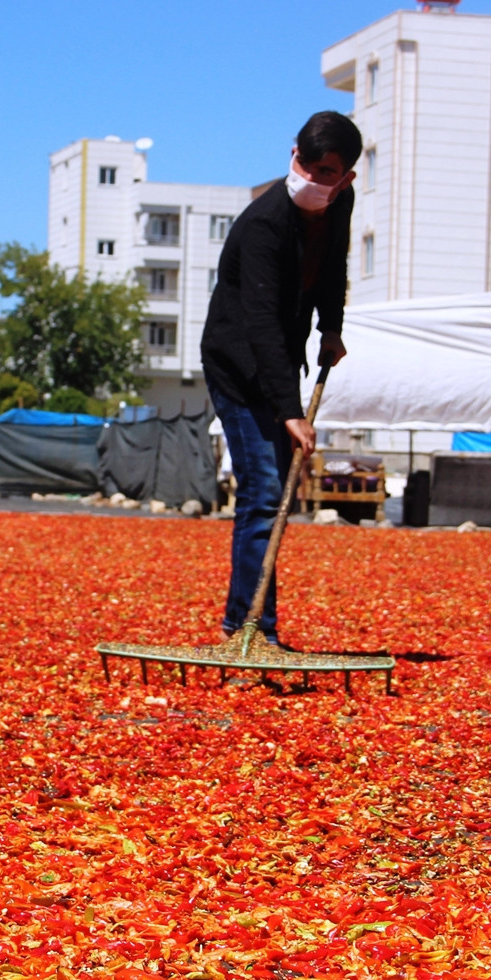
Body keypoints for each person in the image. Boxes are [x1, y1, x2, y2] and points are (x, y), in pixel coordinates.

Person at [200, 110, 362, 647]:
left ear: (347, 179)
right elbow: (261, 321)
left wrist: (330, 329)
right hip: (237, 362)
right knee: (265, 492)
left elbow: (333, 265)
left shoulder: (340, 206)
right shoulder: (265, 222)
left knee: (271, 495)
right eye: (307, 165)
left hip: (278, 360)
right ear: (293, 156)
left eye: (327, 172)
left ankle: (246, 622)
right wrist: (290, 410)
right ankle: (249, 627)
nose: (314, 179)